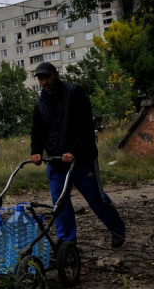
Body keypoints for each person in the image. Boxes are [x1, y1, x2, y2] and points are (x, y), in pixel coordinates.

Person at [29, 62, 126, 248]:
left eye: (47, 77)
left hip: (82, 161)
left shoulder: (75, 93)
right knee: (60, 204)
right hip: (56, 163)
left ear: (56, 75)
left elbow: (85, 126)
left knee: (96, 198)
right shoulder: (40, 103)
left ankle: (117, 228)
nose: (45, 82)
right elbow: (38, 130)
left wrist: (74, 151)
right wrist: (36, 151)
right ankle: (67, 243)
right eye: (41, 79)